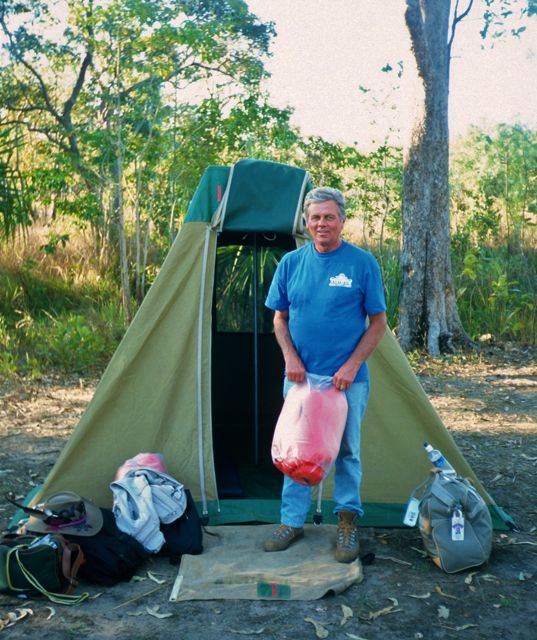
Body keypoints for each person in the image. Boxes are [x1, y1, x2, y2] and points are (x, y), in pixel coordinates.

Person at [264, 186, 387, 563]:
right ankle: (292, 522)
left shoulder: (362, 263)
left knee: (347, 452)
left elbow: (378, 323)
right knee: (296, 452)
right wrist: (291, 359)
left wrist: (351, 366)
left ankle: (347, 525)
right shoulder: (291, 263)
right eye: (315, 217)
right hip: (300, 380)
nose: (322, 224)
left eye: (329, 217)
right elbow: (279, 319)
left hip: (346, 383)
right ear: (306, 222)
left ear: (342, 220)